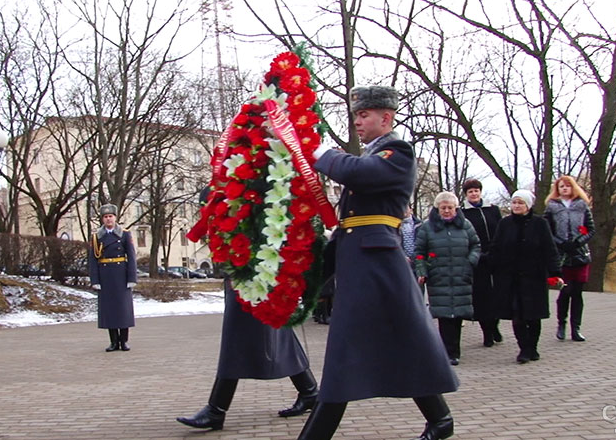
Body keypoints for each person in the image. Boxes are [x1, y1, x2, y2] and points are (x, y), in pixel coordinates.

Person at [297, 85, 459, 440]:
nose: (357, 121)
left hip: (377, 263)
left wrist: (320, 152)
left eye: (363, 114)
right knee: (402, 341)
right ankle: (440, 419)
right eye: (355, 114)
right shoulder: (372, 155)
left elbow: (358, 173)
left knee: (347, 350)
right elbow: (349, 218)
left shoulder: (396, 152)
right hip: (363, 261)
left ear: (386, 117)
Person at [176, 190, 319, 431]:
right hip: (245, 268)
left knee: (238, 337)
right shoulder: (230, 177)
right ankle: (309, 391)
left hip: (257, 269)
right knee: (277, 333)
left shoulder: (256, 179)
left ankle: (216, 409)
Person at [490, 190, 563, 364]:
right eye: (514, 202)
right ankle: (523, 348)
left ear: (528, 206)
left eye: (520, 203)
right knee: (517, 315)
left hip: (534, 277)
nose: (516, 206)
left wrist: (555, 273)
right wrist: (492, 265)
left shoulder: (540, 224)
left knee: (533, 315)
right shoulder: (505, 224)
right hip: (510, 277)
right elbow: (496, 247)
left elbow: (549, 249)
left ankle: (533, 347)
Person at [415, 191, 480, 366]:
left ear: (456, 208)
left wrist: (470, 262)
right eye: (443, 208)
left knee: (457, 314)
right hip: (439, 276)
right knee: (444, 315)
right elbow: (419, 252)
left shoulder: (465, 225)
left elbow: (476, 245)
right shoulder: (427, 228)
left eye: (450, 208)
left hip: (461, 275)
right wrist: (422, 270)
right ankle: (446, 351)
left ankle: (455, 351)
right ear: (437, 209)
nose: (446, 211)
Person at [543, 175, 595, 342]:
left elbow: (590, 229)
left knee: (577, 293)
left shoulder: (582, 206)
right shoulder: (552, 207)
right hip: (562, 255)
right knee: (565, 291)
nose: (564, 189)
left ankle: (576, 328)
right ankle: (561, 324)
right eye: (561, 186)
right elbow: (547, 230)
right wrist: (560, 243)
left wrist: (579, 241)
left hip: (580, 254)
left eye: (567, 186)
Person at [88, 203, 137, 352]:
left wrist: (131, 278)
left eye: (111, 216)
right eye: (105, 217)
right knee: (109, 310)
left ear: (115, 218)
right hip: (106, 276)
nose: (108, 219)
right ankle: (113, 341)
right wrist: (95, 280)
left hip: (121, 274)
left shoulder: (124, 234)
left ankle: (124, 341)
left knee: (123, 309)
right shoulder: (97, 237)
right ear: (102, 219)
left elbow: (132, 257)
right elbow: (92, 260)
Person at [460, 178, 504, 347]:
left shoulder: (492, 210)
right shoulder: (463, 213)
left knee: (498, 293)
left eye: (476, 190)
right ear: (466, 194)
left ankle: (495, 325)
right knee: (481, 296)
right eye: (470, 191)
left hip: (495, 257)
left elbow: (500, 231)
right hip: (476, 258)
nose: (474, 194)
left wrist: (496, 251)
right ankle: (486, 330)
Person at [400, 204, 423, 278]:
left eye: (406, 208)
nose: (404, 210)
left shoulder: (420, 225)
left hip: (417, 262)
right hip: (401, 261)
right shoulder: (394, 226)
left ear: (411, 210)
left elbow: (421, 243)